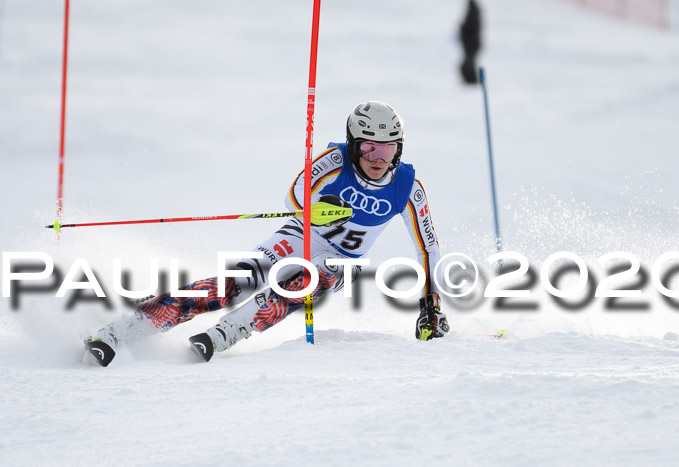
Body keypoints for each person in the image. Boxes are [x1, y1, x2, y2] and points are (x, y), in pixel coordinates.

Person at [85, 101, 449, 367]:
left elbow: (428, 249)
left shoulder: (408, 187)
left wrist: (429, 305)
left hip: (343, 260)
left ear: (398, 149)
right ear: (353, 143)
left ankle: (229, 332)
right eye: (367, 146)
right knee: (239, 279)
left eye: (386, 147)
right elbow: (296, 191)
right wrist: (317, 206)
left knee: (305, 280)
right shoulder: (336, 161)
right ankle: (129, 327)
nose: (377, 157)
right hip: (300, 233)